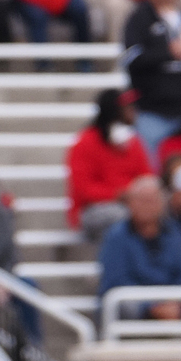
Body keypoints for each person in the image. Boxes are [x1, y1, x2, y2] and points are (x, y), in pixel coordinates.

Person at [66, 89, 153, 245]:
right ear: (115, 111)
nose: (134, 111)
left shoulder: (134, 142)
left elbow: (147, 176)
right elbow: (83, 189)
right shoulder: (85, 142)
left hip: (132, 203)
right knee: (124, 216)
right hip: (93, 210)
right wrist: (118, 195)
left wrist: (137, 196)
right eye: (128, 107)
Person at [97, 175, 181, 309]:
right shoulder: (116, 236)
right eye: (142, 201)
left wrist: (174, 302)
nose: (147, 206)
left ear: (162, 203)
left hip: (170, 301)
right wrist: (152, 307)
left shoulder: (174, 233)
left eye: (152, 201)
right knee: (127, 307)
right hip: (133, 301)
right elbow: (116, 281)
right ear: (130, 203)